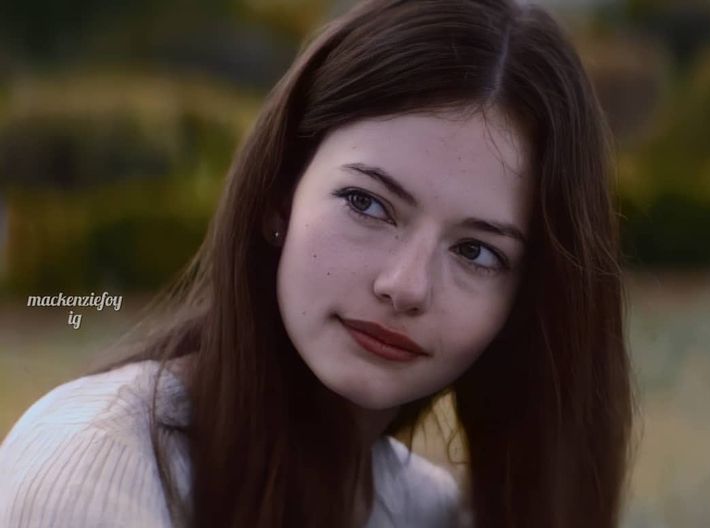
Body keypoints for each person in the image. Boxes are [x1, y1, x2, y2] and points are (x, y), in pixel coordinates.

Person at [0, 0, 635, 526]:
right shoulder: (96, 472)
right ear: (282, 191)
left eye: (477, 250)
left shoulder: (425, 511)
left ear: (526, 300)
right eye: (367, 203)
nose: (404, 286)